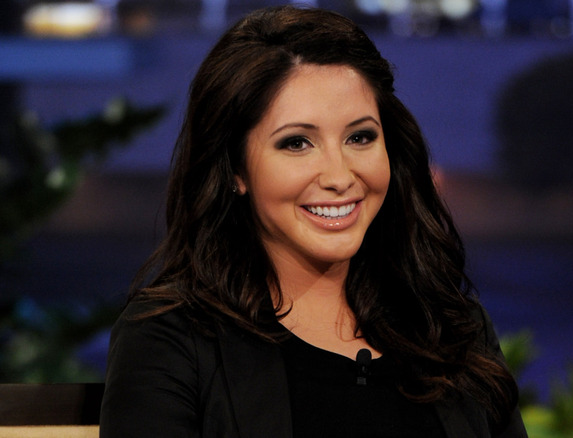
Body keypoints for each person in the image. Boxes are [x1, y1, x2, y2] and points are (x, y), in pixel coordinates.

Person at [99, 5, 527, 438]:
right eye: (297, 143)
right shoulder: (171, 338)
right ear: (235, 169)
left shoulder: (453, 326)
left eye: (360, 137)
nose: (340, 177)